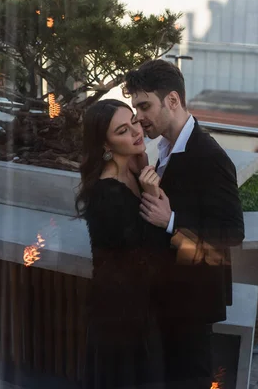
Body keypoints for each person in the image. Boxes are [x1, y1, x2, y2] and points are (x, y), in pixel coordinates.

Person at [123, 58, 245, 388]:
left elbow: (232, 234)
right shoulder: (162, 148)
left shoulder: (210, 157)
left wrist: (171, 221)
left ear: (173, 100)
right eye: (135, 107)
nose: (139, 117)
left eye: (144, 106)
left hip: (193, 298)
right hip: (168, 292)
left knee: (189, 379)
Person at [75, 99, 168, 389]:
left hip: (137, 308)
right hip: (119, 317)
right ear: (106, 145)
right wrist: (153, 191)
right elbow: (151, 250)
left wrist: (144, 177)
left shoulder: (132, 172)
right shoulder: (107, 194)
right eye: (123, 130)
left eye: (134, 122)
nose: (136, 132)